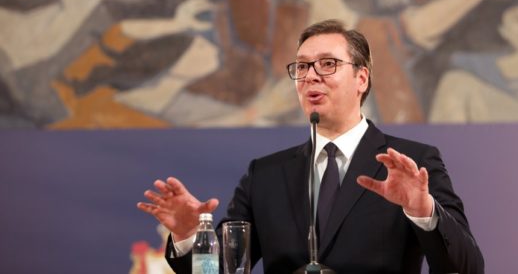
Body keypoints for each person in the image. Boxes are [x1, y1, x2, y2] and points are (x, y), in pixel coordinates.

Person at [137, 19, 484, 273]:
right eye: (302, 66)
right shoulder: (265, 175)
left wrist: (423, 210)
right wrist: (188, 236)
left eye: (328, 64)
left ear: (361, 78)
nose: (311, 76)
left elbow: (467, 266)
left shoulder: (412, 162)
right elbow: (223, 271)